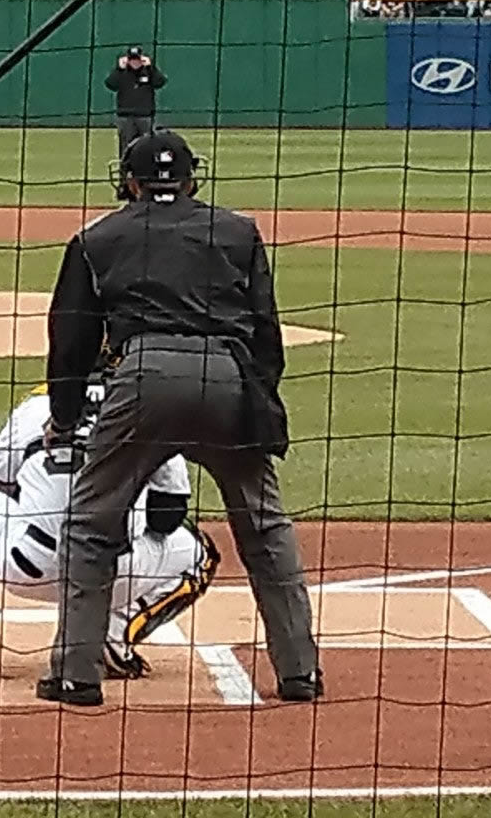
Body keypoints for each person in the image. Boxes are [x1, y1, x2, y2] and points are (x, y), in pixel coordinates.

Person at [38, 129, 321, 708]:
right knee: (264, 528)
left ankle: (76, 676)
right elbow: (266, 331)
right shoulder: (239, 231)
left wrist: (64, 421)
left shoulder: (97, 237)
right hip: (229, 378)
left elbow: (70, 343)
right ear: (193, 179)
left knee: (93, 525)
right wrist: (259, 405)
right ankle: (300, 674)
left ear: (130, 183)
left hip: (142, 380)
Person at [0, 381, 218, 677]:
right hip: (114, 577)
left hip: (29, 568)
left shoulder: (38, 403)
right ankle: (114, 634)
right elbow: (166, 517)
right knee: (200, 553)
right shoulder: (151, 407)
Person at [105, 46, 167, 173]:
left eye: (137, 60)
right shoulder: (122, 73)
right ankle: (125, 179)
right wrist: (118, 69)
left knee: (147, 147)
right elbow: (111, 84)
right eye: (132, 60)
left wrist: (151, 67)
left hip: (145, 117)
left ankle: (146, 175)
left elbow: (160, 82)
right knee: (126, 149)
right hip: (125, 117)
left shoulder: (148, 72)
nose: (135, 63)